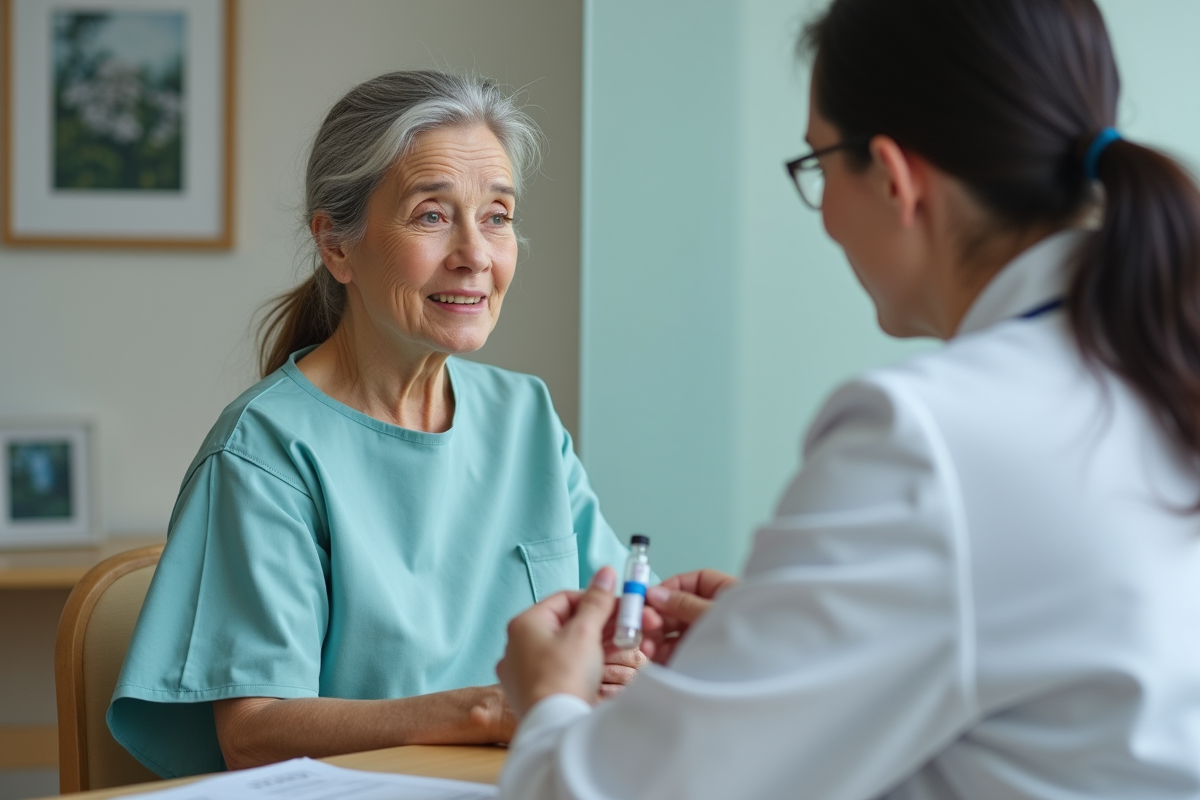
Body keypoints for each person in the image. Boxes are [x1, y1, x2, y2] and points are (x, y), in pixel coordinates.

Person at [495, 0, 1200, 797]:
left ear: (895, 178)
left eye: (818, 167)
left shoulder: (928, 437)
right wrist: (780, 649)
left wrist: (548, 697)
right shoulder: (1158, 373)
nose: (825, 212)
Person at [107, 70, 644, 780]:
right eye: (431, 215)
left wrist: (636, 653)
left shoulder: (528, 417)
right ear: (336, 246)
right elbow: (253, 731)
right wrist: (486, 712)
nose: (476, 255)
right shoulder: (265, 449)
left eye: (497, 216)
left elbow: (613, 631)